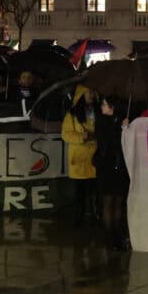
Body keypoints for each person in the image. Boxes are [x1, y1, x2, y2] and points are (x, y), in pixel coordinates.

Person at [93, 96, 130, 250]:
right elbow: (106, 141)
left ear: (112, 106)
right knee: (109, 201)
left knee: (119, 202)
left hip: (120, 167)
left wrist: (125, 128)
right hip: (107, 167)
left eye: (104, 104)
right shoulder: (101, 122)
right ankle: (110, 237)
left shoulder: (122, 120)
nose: (102, 107)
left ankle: (117, 235)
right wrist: (119, 128)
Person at [62, 85, 98, 225]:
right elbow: (66, 134)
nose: (91, 94)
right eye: (88, 91)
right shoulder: (72, 114)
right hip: (79, 160)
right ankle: (79, 219)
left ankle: (95, 217)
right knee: (80, 193)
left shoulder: (99, 111)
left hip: (95, 158)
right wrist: (81, 137)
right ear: (81, 94)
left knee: (94, 192)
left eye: (93, 91)